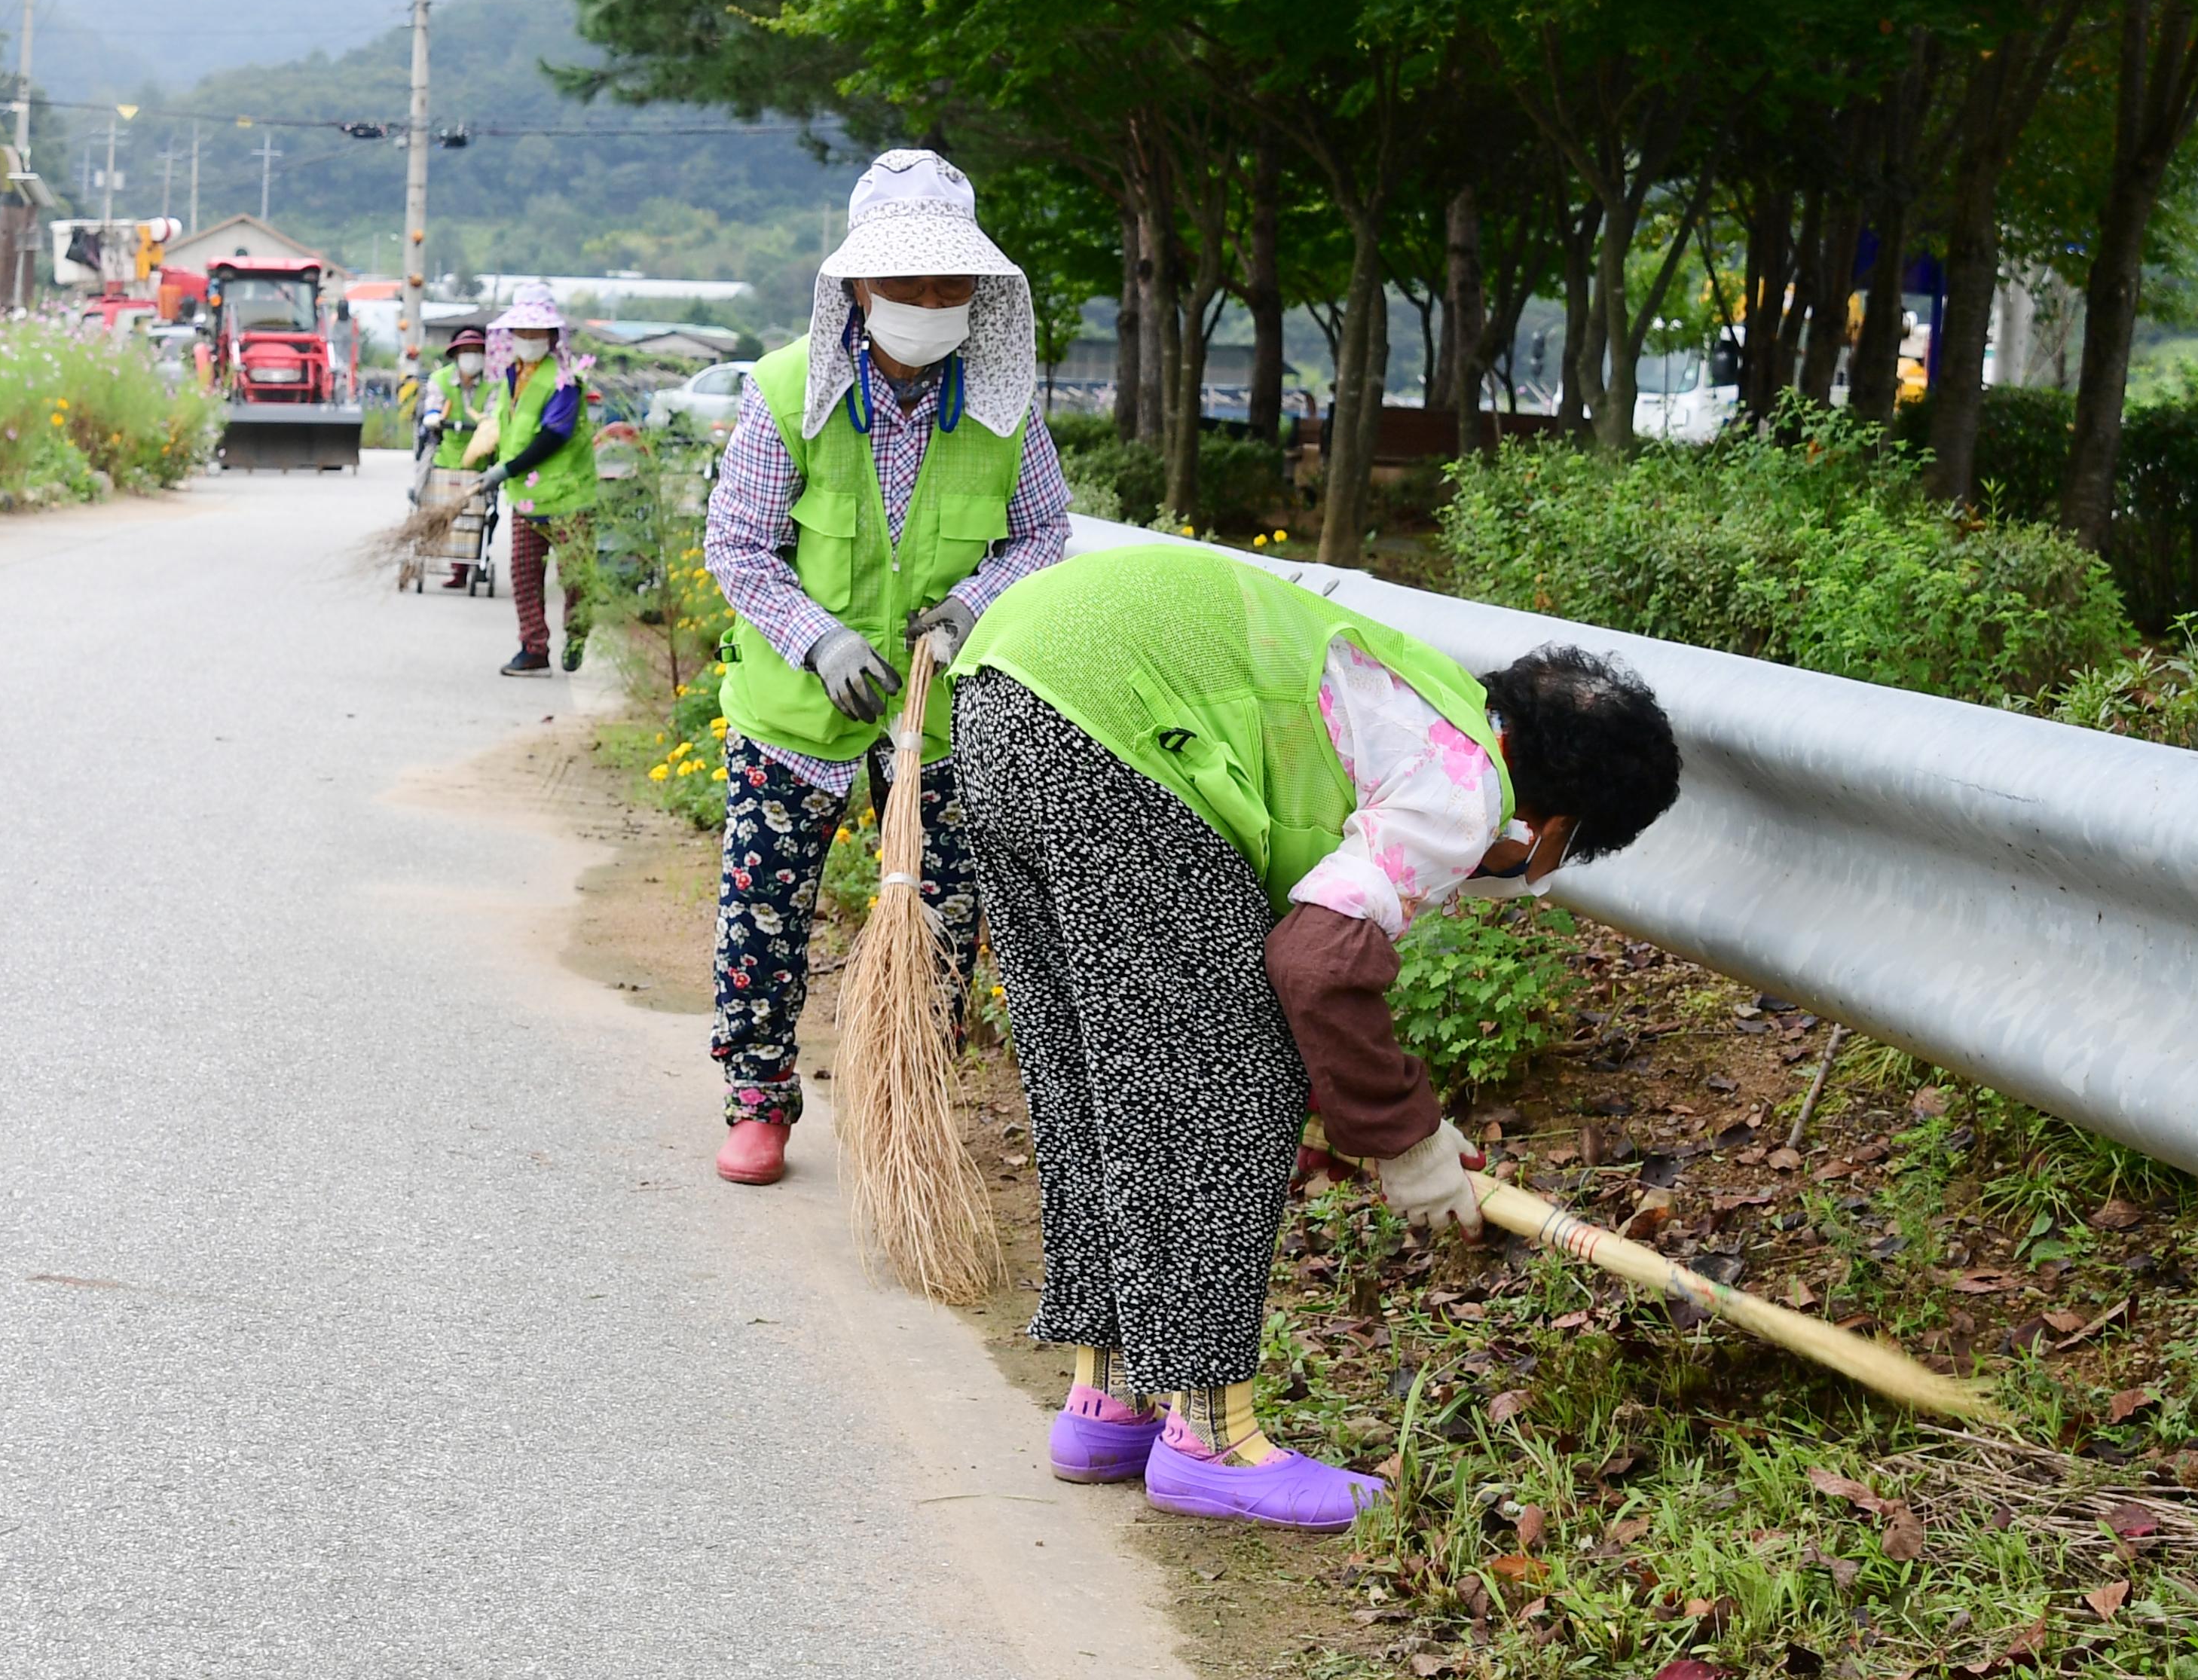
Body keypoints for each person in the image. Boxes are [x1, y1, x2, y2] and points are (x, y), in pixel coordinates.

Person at [949, 542, 1681, 1532]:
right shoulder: (1465, 784)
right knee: (1227, 1082)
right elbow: (1317, 965)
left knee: (1096, 1071)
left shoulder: (1413, 692)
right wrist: (1408, 1139)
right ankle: (1211, 1439)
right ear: (1556, 836)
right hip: (1111, 724)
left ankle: (1108, 1396)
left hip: (1003, 689)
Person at [703, 148, 1072, 1186]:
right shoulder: (788, 395)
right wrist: (815, 636)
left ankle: (905, 1106)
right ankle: (759, 1101)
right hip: (799, 712)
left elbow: (1043, 535)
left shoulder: (1002, 408)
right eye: (904, 284)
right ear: (857, 288)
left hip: (941, 716)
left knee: (943, 921)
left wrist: (970, 607)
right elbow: (737, 545)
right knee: (764, 912)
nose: (927, 303)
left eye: (949, 285)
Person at [474, 285, 591, 675]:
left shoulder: (564, 379)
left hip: (568, 496)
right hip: (526, 498)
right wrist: (495, 459)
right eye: (521, 332)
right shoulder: (511, 375)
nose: (528, 340)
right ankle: (533, 649)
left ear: (552, 336)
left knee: (576, 578)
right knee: (524, 575)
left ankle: (576, 635)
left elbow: (554, 434)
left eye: (536, 333)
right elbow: (512, 429)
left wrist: (507, 469)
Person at [414, 322, 499, 590]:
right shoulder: (441, 380)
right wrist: (433, 417)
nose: (472, 357)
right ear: (456, 354)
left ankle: (472, 564)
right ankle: (438, 556)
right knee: (435, 507)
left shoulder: (493, 385)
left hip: (479, 460)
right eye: (466, 351)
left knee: (479, 515)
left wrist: (488, 424)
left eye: (477, 351)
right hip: (446, 456)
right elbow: (433, 406)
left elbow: (494, 412)